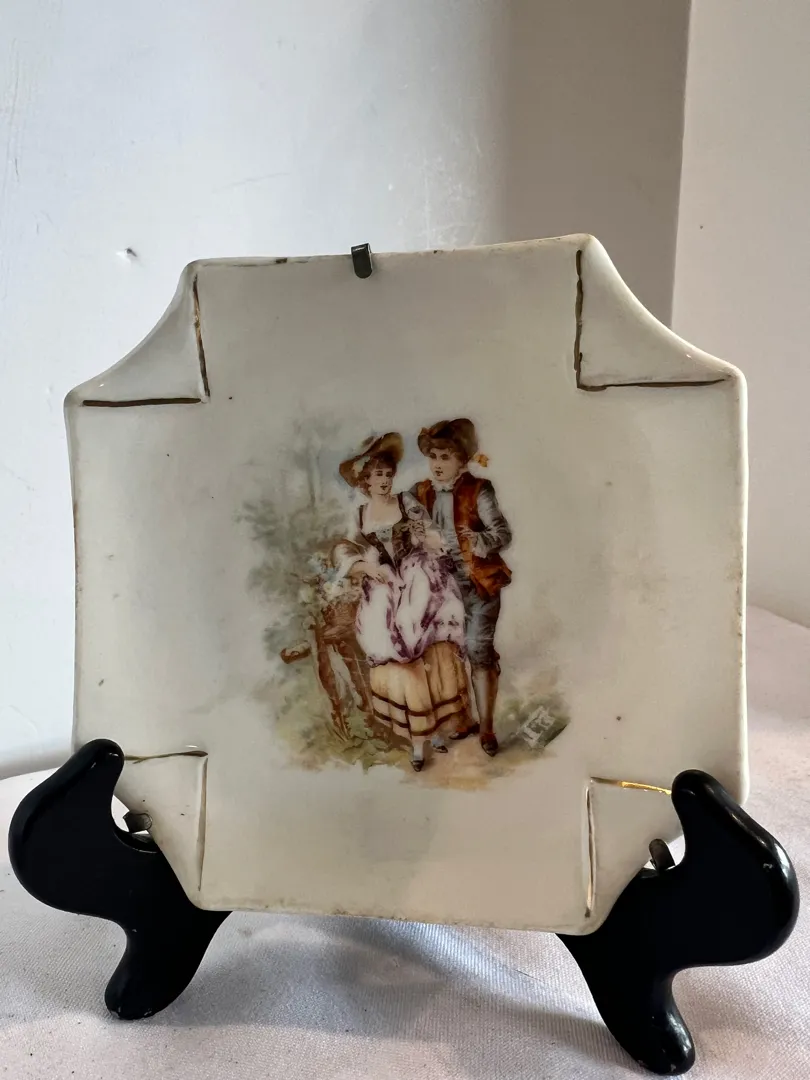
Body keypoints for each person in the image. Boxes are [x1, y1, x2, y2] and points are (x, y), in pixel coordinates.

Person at [333, 433, 471, 771]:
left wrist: (426, 538)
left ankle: (435, 731)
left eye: (387, 474)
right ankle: (417, 743)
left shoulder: (406, 502)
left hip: (416, 580)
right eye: (376, 475)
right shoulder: (360, 514)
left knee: (430, 653)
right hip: (384, 589)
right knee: (400, 660)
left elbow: (431, 534)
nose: (384, 481)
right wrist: (367, 567)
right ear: (365, 481)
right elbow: (344, 550)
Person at [410, 419, 511, 756]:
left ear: (462, 459)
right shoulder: (420, 493)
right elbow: (396, 523)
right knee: (447, 655)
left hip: (478, 585)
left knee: (477, 649)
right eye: (433, 457)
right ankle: (462, 718)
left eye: (446, 457)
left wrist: (479, 540)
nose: (437, 465)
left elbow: (502, 534)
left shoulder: (479, 489)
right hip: (439, 589)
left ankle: (487, 728)